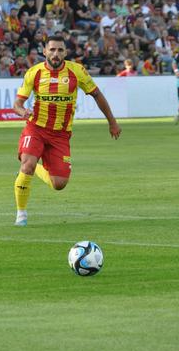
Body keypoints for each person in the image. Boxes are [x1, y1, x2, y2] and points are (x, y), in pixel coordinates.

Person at [12, 35, 122, 226]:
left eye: (60, 50)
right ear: (45, 51)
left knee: (59, 184)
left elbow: (97, 95)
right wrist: (23, 111)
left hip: (61, 134)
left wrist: (112, 122)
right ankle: (21, 213)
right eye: (52, 49)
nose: (56, 54)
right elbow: (17, 103)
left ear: (65, 52)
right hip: (35, 127)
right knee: (26, 165)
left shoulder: (77, 71)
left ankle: (36, 166)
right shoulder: (34, 72)